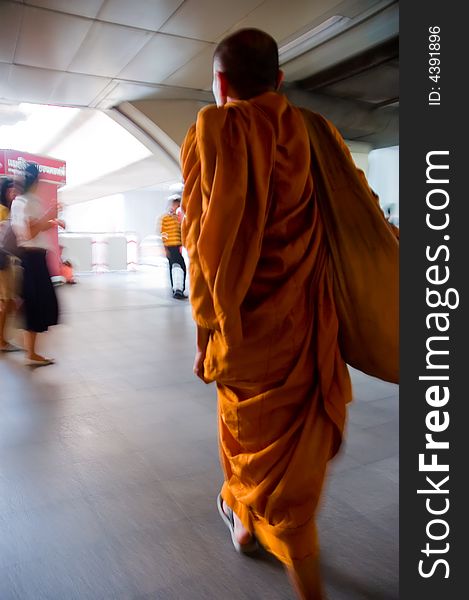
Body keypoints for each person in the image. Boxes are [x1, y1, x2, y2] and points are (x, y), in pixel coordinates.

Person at [180, 29, 399, 599]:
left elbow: (205, 251)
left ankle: (305, 579)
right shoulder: (318, 133)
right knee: (290, 459)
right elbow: (361, 211)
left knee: (241, 436)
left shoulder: (209, 131)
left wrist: (206, 329)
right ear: (279, 81)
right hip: (303, 325)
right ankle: (248, 523)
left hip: (243, 336)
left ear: (220, 84)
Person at [11, 162, 63, 366]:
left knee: (36, 304)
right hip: (34, 259)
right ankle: (31, 353)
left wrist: (51, 221)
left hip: (30, 258)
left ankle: (31, 352)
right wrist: (49, 216)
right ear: (36, 179)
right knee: (38, 305)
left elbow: (32, 228)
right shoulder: (28, 201)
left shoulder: (19, 201)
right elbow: (31, 231)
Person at [0, 177, 21, 352]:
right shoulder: (3, 211)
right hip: (2, 260)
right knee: (6, 301)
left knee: (7, 301)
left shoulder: (8, 210)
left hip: (5, 259)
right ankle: (1, 341)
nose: (14, 193)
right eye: (11, 189)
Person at [159, 194, 187, 299]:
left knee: (175, 267)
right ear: (174, 204)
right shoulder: (166, 218)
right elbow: (163, 233)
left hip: (177, 246)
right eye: (177, 204)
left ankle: (177, 290)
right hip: (171, 246)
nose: (178, 206)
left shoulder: (177, 218)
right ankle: (177, 290)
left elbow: (180, 232)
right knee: (178, 267)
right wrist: (165, 248)